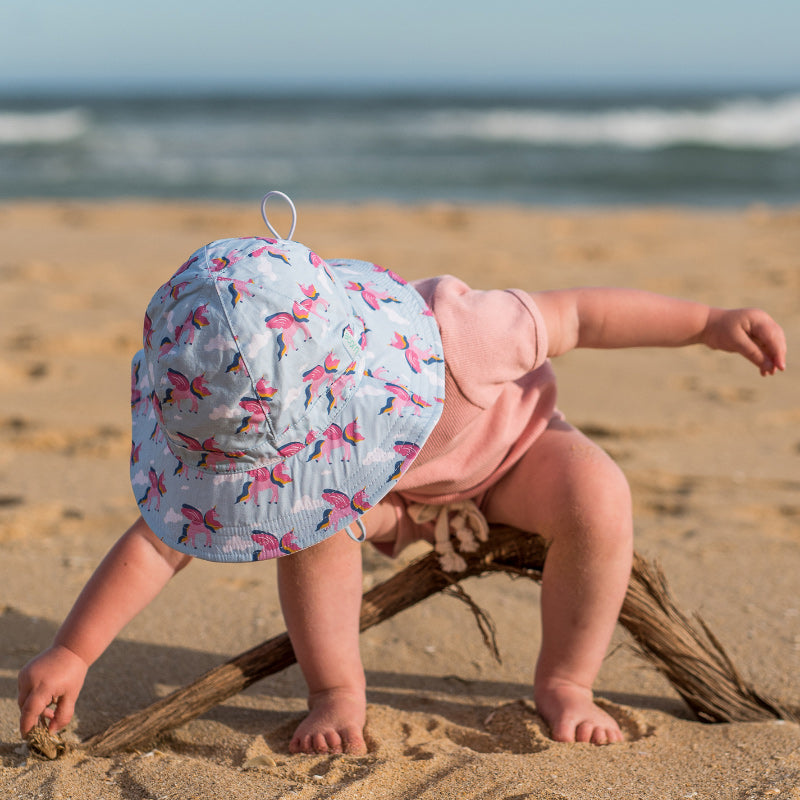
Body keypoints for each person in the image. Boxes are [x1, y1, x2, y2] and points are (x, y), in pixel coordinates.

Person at [18, 194, 787, 756]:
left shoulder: (465, 334)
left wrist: (707, 324)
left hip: (508, 459)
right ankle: (336, 688)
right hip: (386, 501)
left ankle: (566, 678)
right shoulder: (265, 443)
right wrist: (74, 652)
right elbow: (161, 542)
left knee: (598, 491)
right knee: (313, 527)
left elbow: (582, 317)